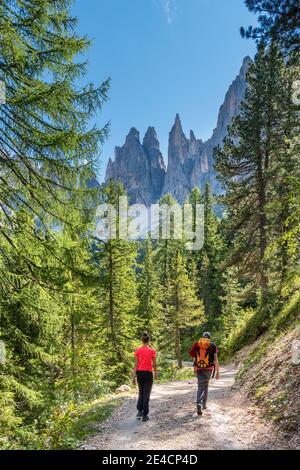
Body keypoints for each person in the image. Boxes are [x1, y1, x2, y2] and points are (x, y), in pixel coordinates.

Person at [189, 331, 220, 416]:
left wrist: (194, 369)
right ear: (209, 338)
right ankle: (204, 404)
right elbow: (216, 359)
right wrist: (217, 372)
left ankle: (199, 403)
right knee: (206, 385)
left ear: (202, 337)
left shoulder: (197, 345)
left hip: (199, 368)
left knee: (200, 387)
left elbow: (194, 359)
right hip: (209, 369)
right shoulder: (212, 345)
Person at [132, 332, 158, 422]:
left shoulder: (138, 351)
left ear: (142, 341)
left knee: (141, 392)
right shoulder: (152, 351)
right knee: (146, 393)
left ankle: (139, 411)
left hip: (139, 373)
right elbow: (154, 365)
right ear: (149, 340)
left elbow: (135, 365)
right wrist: (156, 373)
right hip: (148, 373)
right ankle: (144, 415)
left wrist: (133, 377)